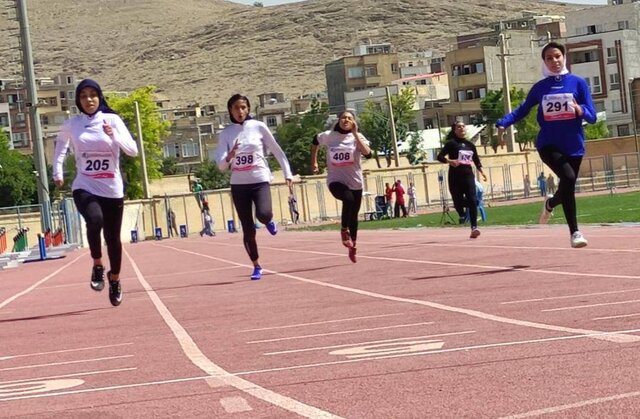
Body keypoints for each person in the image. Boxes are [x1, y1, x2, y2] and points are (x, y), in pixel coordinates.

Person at [497, 41, 596, 248]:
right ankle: (575, 232)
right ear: (544, 62)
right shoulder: (540, 88)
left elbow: (593, 116)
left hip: (574, 145)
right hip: (548, 144)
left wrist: (581, 111)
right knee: (568, 178)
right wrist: (503, 123)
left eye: (557, 56)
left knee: (567, 187)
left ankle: (550, 203)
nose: (554, 61)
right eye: (549, 58)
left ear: (564, 58)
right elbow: (522, 109)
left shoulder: (578, 83)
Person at [52, 79, 138, 306]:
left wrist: (114, 135)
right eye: (83, 96)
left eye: (92, 95)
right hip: (85, 184)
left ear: (99, 97)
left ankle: (115, 278)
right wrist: (57, 171)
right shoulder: (73, 124)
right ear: (78, 101)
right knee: (94, 219)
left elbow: (133, 151)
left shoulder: (112, 120)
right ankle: (97, 264)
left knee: (113, 239)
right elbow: (60, 146)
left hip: (111, 188)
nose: (88, 99)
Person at [215, 94, 293, 280]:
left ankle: (269, 221)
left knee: (263, 214)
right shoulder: (226, 134)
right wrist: (230, 156)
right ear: (230, 110)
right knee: (248, 229)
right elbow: (221, 166)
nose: (240, 111)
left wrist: (288, 173)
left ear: (248, 109)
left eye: (243, 107)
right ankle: (256, 265)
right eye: (236, 108)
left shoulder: (258, 126)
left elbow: (277, 151)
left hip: (259, 180)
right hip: (239, 185)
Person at [311, 110, 371, 263]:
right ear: (338, 120)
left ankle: (353, 245)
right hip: (335, 180)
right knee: (348, 199)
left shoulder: (358, 137)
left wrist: (355, 134)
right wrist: (314, 162)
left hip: (355, 181)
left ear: (354, 122)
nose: (346, 120)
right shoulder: (329, 136)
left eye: (350, 118)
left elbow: (368, 154)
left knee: (354, 216)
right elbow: (314, 141)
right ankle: (344, 230)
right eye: (343, 117)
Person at [436, 121, 487, 238]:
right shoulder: (451, 144)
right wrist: (450, 161)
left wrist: (482, 172)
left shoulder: (470, 145)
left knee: (472, 200)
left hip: (468, 175)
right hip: (455, 176)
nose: (462, 128)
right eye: (459, 127)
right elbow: (440, 157)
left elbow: (476, 160)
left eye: (463, 126)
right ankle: (462, 213)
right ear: (455, 130)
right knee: (457, 200)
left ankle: (474, 228)